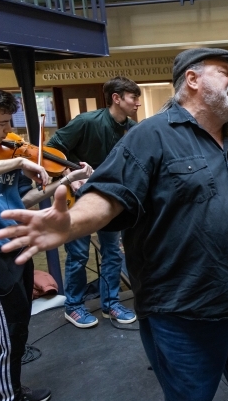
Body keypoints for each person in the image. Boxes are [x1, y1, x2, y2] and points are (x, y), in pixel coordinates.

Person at [0, 48, 228, 401]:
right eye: (225, 71)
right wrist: (71, 223)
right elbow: (109, 194)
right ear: (192, 79)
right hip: (183, 308)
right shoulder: (150, 135)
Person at [0, 83, 91, 401]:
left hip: (19, 246)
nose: (10, 131)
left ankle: (12, 389)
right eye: (3, 123)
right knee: (6, 332)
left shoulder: (3, 151)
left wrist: (66, 179)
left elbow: (24, 198)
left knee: (19, 325)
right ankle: (5, 397)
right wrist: (19, 163)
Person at [46, 77, 139, 328]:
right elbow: (52, 148)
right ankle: (73, 306)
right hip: (80, 196)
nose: (137, 103)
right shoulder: (87, 122)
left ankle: (110, 304)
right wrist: (70, 176)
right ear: (116, 98)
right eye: (133, 98)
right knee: (77, 255)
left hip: (110, 197)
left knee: (112, 253)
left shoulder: (132, 127)